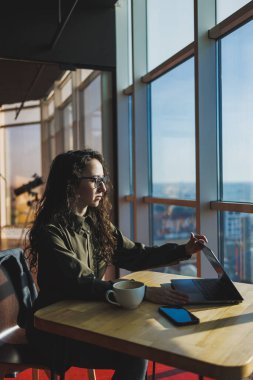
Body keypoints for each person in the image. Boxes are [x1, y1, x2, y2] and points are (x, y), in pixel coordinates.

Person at [25, 149, 207, 380]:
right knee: (134, 353)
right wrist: (142, 292)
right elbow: (80, 282)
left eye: (103, 180)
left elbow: (136, 255)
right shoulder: (50, 232)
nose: (103, 188)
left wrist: (183, 250)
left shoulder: (95, 224)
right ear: (70, 183)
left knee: (137, 343)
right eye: (95, 181)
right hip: (55, 329)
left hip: (85, 316)